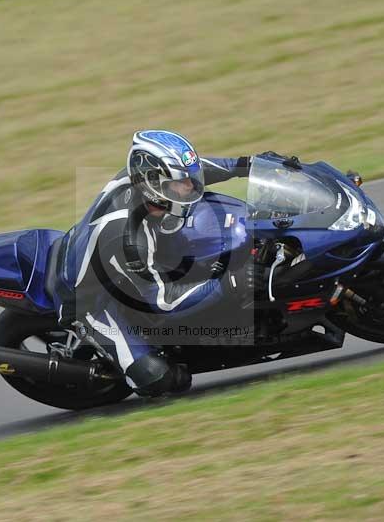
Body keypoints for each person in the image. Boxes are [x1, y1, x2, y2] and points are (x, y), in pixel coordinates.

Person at [52, 130, 251, 396]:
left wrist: (248, 165)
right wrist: (229, 283)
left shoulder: (141, 179)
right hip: (90, 303)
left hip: (121, 265)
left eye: (186, 180)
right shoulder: (129, 239)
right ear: (153, 183)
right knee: (161, 381)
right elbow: (163, 301)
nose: (190, 187)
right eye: (181, 184)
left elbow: (199, 170)